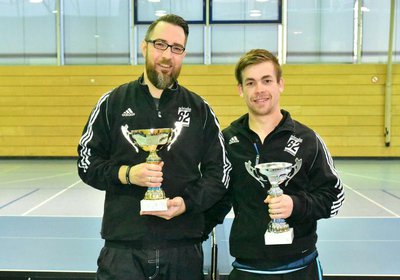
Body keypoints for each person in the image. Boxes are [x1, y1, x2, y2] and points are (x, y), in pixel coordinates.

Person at [77, 14, 231, 280]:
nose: (167, 55)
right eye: (160, 44)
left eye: (176, 48)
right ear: (144, 46)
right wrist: (127, 174)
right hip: (124, 250)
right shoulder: (112, 103)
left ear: (183, 54)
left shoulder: (200, 109)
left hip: (182, 250)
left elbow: (221, 174)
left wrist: (187, 203)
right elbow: (87, 162)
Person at [205, 49, 345, 280]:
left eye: (267, 80)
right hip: (247, 269)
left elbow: (334, 197)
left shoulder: (307, 139)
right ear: (241, 89)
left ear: (280, 84)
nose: (259, 90)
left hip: (300, 268)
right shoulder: (228, 141)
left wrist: (295, 205)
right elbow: (216, 197)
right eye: (250, 83)